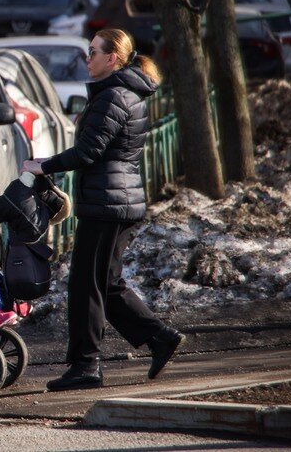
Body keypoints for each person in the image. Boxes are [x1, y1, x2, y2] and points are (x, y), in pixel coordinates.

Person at [21, 28, 184, 391]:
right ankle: (159, 337)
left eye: (93, 52)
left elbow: (88, 152)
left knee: (85, 286)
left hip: (108, 203)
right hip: (116, 200)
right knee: (105, 284)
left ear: (111, 59)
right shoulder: (121, 94)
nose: (87, 58)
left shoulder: (114, 97)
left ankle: (85, 365)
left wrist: (42, 165)